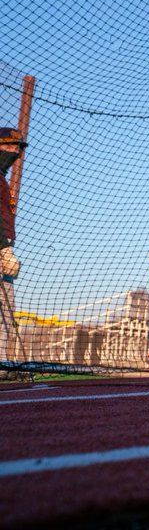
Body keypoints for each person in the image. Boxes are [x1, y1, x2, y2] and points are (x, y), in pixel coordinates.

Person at [0, 127, 27, 365]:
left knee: (5, 313)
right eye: (8, 146)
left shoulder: (2, 178)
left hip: (4, 248)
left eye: (17, 148)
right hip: (0, 249)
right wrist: (3, 249)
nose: (14, 152)